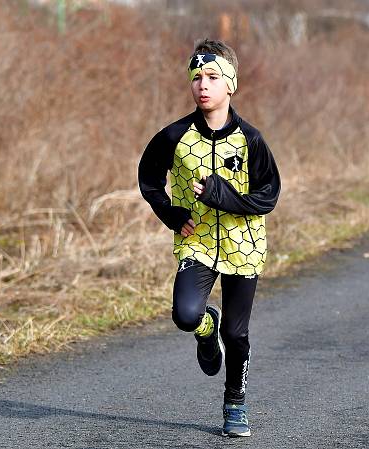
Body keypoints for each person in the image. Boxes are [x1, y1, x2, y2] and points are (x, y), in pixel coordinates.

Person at [137, 38, 281, 437]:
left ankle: (235, 402)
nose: (203, 84)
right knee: (185, 314)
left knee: (236, 334)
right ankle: (205, 329)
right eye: (197, 77)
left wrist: (222, 196)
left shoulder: (251, 140)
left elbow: (268, 196)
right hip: (196, 241)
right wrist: (170, 213)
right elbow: (149, 179)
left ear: (231, 84)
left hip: (243, 245)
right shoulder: (174, 137)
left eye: (213, 77)